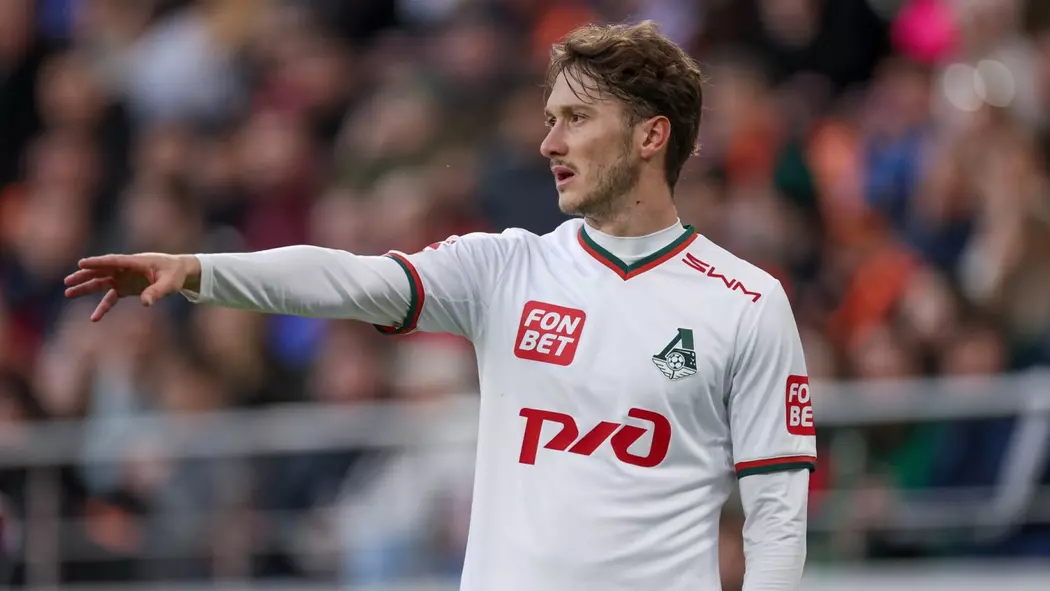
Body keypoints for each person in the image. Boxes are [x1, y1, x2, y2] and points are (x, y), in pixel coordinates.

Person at [65, 21, 816, 591]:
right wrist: (196, 269)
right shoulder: (506, 267)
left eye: (577, 118)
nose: (550, 143)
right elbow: (349, 280)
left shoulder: (746, 302)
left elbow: (778, 516)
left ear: (652, 135)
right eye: (549, 118)